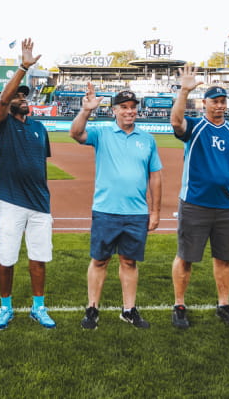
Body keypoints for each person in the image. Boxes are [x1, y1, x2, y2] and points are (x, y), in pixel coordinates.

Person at [70, 83, 162, 329]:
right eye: (124, 107)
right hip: (106, 210)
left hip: (136, 212)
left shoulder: (148, 139)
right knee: (100, 260)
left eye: (133, 107)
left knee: (129, 262)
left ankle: (129, 310)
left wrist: (155, 211)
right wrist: (86, 111)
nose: (129, 111)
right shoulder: (102, 133)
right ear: (114, 111)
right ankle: (92, 309)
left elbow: (155, 176)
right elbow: (76, 134)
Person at [170, 65, 229, 329]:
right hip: (194, 203)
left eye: (223, 101)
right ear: (204, 103)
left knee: (224, 257)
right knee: (186, 256)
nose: (219, 105)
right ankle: (179, 305)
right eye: (214, 101)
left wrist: (221, 182)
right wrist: (184, 90)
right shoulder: (195, 127)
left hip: (225, 206)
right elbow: (176, 122)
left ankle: (223, 305)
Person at [0, 38, 56, 330]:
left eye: (25, 94)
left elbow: (40, 164)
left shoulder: (39, 128)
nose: (23, 98)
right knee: (7, 256)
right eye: (19, 94)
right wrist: (22, 68)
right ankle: (6, 307)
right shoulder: (3, 123)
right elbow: (3, 102)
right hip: (10, 200)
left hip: (40, 203)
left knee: (39, 257)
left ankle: (38, 307)